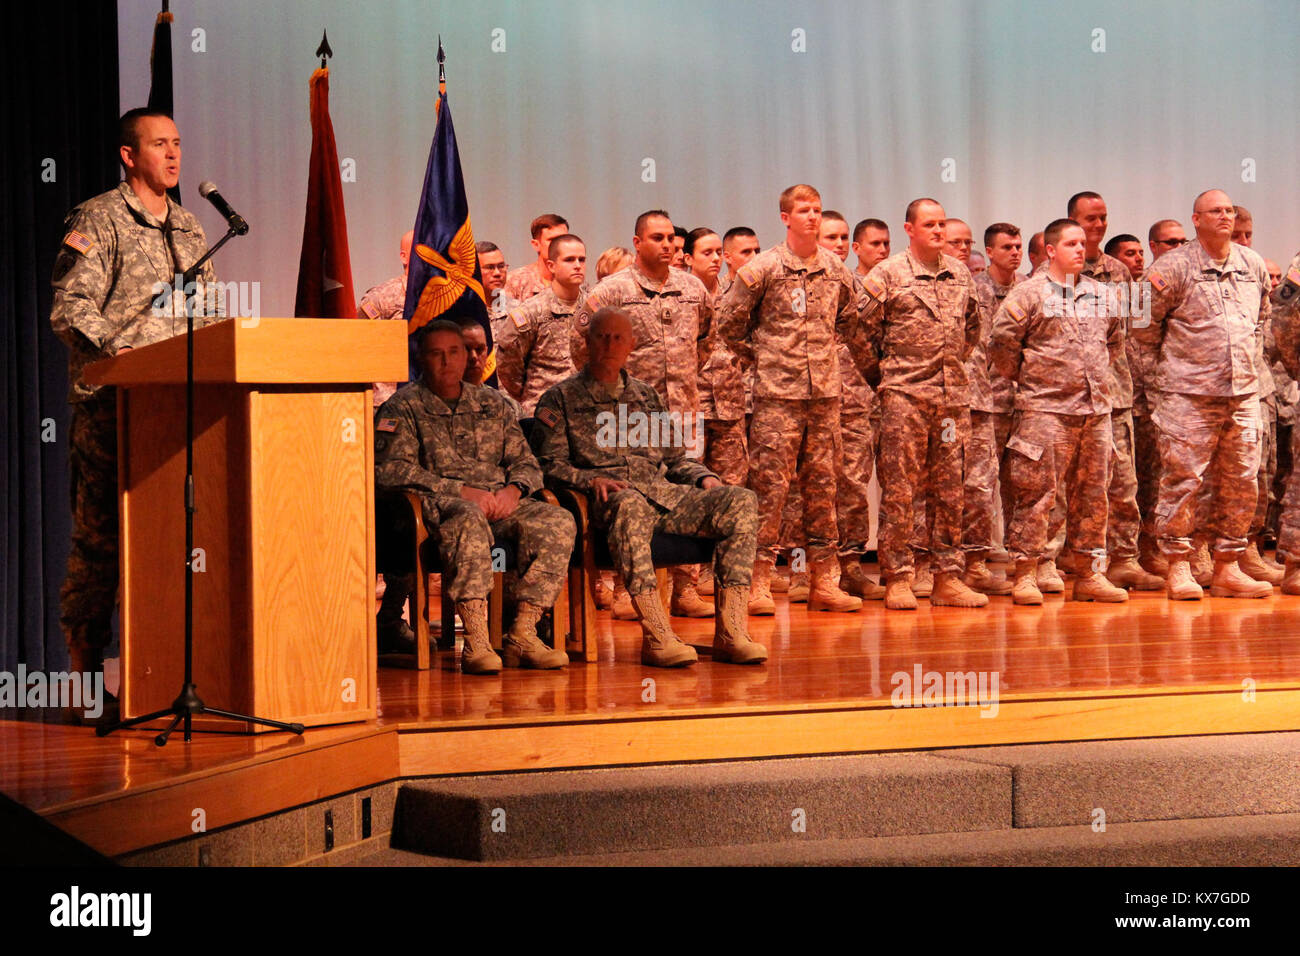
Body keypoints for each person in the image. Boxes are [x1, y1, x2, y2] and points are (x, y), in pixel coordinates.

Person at [49, 108, 222, 688]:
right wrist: (118, 357)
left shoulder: (191, 227)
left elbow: (212, 311)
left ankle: (166, 672)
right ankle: (85, 675)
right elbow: (70, 309)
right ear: (129, 155)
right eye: (158, 145)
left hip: (180, 409)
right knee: (100, 542)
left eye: (177, 143)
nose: (173, 155)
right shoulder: (98, 219)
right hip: (111, 406)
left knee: (179, 540)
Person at [533, 308, 767, 667]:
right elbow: (549, 466)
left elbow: (675, 459)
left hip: (662, 498)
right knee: (628, 503)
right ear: (587, 341)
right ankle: (656, 634)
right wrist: (589, 479)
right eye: (602, 336)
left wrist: (703, 476)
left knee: (739, 500)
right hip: (607, 504)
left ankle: (731, 631)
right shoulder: (561, 399)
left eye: (618, 338)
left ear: (632, 345)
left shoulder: (646, 397)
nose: (609, 344)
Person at [374, 321, 574, 672]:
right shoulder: (402, 407)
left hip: (500, 502)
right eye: (437, 354)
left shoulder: (493, 404)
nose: (448, 361)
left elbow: (526, 462)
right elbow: (390, 470)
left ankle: (523, 633)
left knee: (557, 520)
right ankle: (477, 641)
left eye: (455, 352)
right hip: (440, 505)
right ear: (420, 358)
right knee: (467, 517)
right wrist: (460, 491)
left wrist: (514, 491)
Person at [717, 184, 866, 615]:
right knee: (769, 492)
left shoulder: (836, 270)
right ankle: (758, 583)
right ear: (785, 217)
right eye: (804, 211)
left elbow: (850, 323)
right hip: (778, 399)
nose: (813, 218)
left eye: (818, 210)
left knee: (824, 490)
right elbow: (729, 325)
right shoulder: (762, 269)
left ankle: (825, 581)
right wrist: (763, 358)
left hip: (824, 398)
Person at [1131, 189, 1274, 599]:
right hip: (1188, 395)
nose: (1225, 216)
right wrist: (1182, 364)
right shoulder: (1171, 267)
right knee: (1183, 480)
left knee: (1242, 480)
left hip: (1243, 393)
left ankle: (1227, 564)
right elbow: (1141, 325)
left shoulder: (1252, 264)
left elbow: (1261, 319)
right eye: (1216, 211)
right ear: (1196, 219)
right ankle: (1180, 563)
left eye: (1229, 210)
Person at [573, 211, 714, 619]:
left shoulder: (693, 288)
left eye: (672, 237)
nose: (668, 244)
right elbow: (578, 343)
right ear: (637, 242)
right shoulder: (612, 290)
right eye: (657, 237)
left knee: (684, 495)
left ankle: (685, 589)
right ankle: (623, 588)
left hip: (682, 409)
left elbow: (707, 339)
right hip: (628, 411)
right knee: (630, 495)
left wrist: (683, 380)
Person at [988, 219, 1128, 605]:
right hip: (1045, 411)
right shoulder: (1027, 294)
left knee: (1093, 496)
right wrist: (1037, 381)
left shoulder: (1103, 294)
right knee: (1035, 497)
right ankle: (1026, 573)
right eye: (1071, 244)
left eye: (1082, 243)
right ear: (1050, 250)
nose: (1080, 250)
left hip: (1095, 411)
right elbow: (1001, 348)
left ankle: (1088, 574)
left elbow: (1114, 343)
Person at [858, 198, 985, 610]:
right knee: (900, 491)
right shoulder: (888, 274)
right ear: (909, 229)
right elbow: (860, 333)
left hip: (951, 400)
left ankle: (948, 576)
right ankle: (898, 576)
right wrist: (887, 376)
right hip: (904, 398)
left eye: (942, 223)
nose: (938, 231)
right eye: (929, 224)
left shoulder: (960, 272)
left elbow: (971, 330)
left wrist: (948, 371)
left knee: (950, 492)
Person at [962, 222, 1024, 595]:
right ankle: (975, 563)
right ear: (990, 252)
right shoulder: (974, 290)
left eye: (1018, 245)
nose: (1014, 252)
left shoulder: (1030, 291)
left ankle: (1024, 559)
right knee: (980, 488)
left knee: (1024, 488)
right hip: (985, 404)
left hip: (1024, 403)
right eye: (1006, 247)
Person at [495, 234, 586, 415]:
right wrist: (531, 395)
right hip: (544, 413)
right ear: (551, 266)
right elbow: (508, 366)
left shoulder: (594, 309)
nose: (577, 265)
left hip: (586, 411)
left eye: (581, 259)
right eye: (569, 260)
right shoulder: (531, 312)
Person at [359, 230, 414, 405]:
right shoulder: (382, 296)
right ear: (404, 257)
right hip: (390, 399)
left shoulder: (443, 297)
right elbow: (357, 338)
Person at [503, 213, 569, 305]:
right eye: (552, 240)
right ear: (536, 245)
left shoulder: (574, 281)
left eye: (564, 239)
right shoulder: (514, 282)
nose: (559, 245)